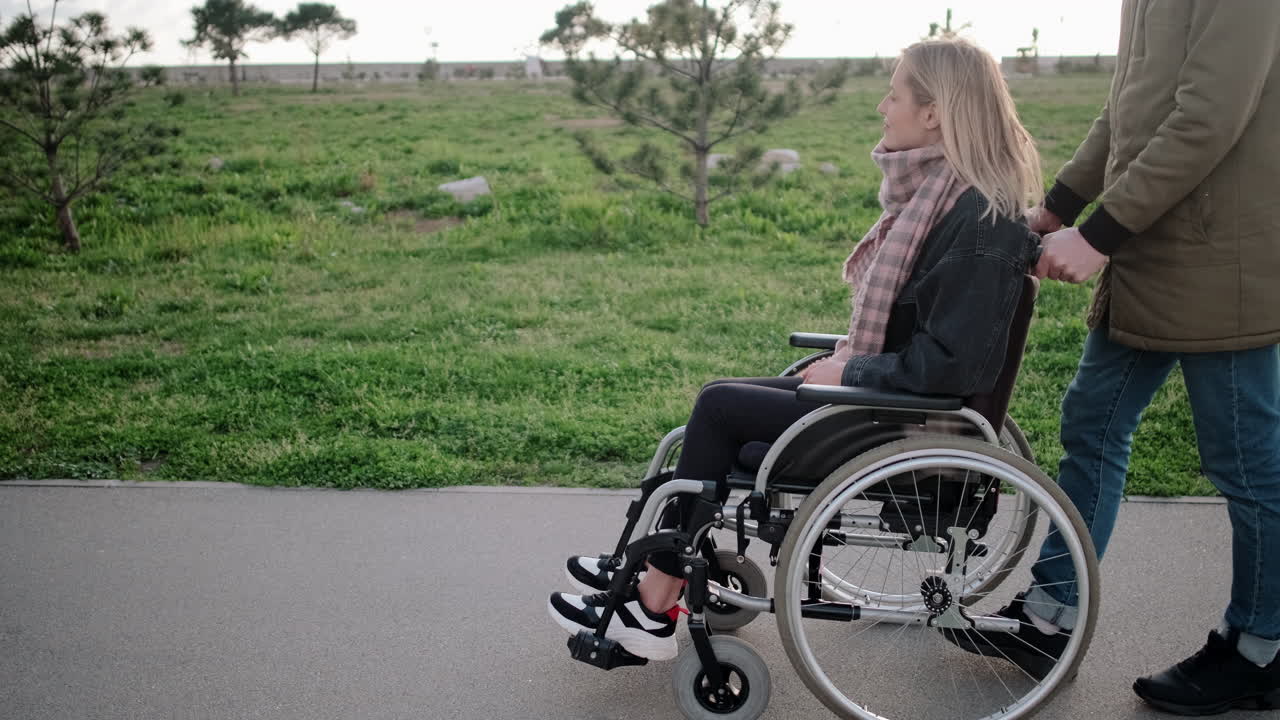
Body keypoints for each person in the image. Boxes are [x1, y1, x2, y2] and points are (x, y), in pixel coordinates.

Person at [547, 37, 1043, 663]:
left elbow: (952, 366)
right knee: (717, 399)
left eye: (893, 94)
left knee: (721, 409)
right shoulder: (951, 199)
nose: (882, 107)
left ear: (934, 113)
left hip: (907, 424)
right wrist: (848, 365)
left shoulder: (980, 221)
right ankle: (652, 573)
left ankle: (653, 602)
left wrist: (852, 368)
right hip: (889, 405)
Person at [943, 1, 1280, 714]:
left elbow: (1208, 118)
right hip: (1150, 252)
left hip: (1220, 262)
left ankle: (1260, 649)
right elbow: (1126, 110)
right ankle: (1049, 617)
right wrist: (1059, 207)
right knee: (1093, 424)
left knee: (1247, 464)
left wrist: (1098, 235)